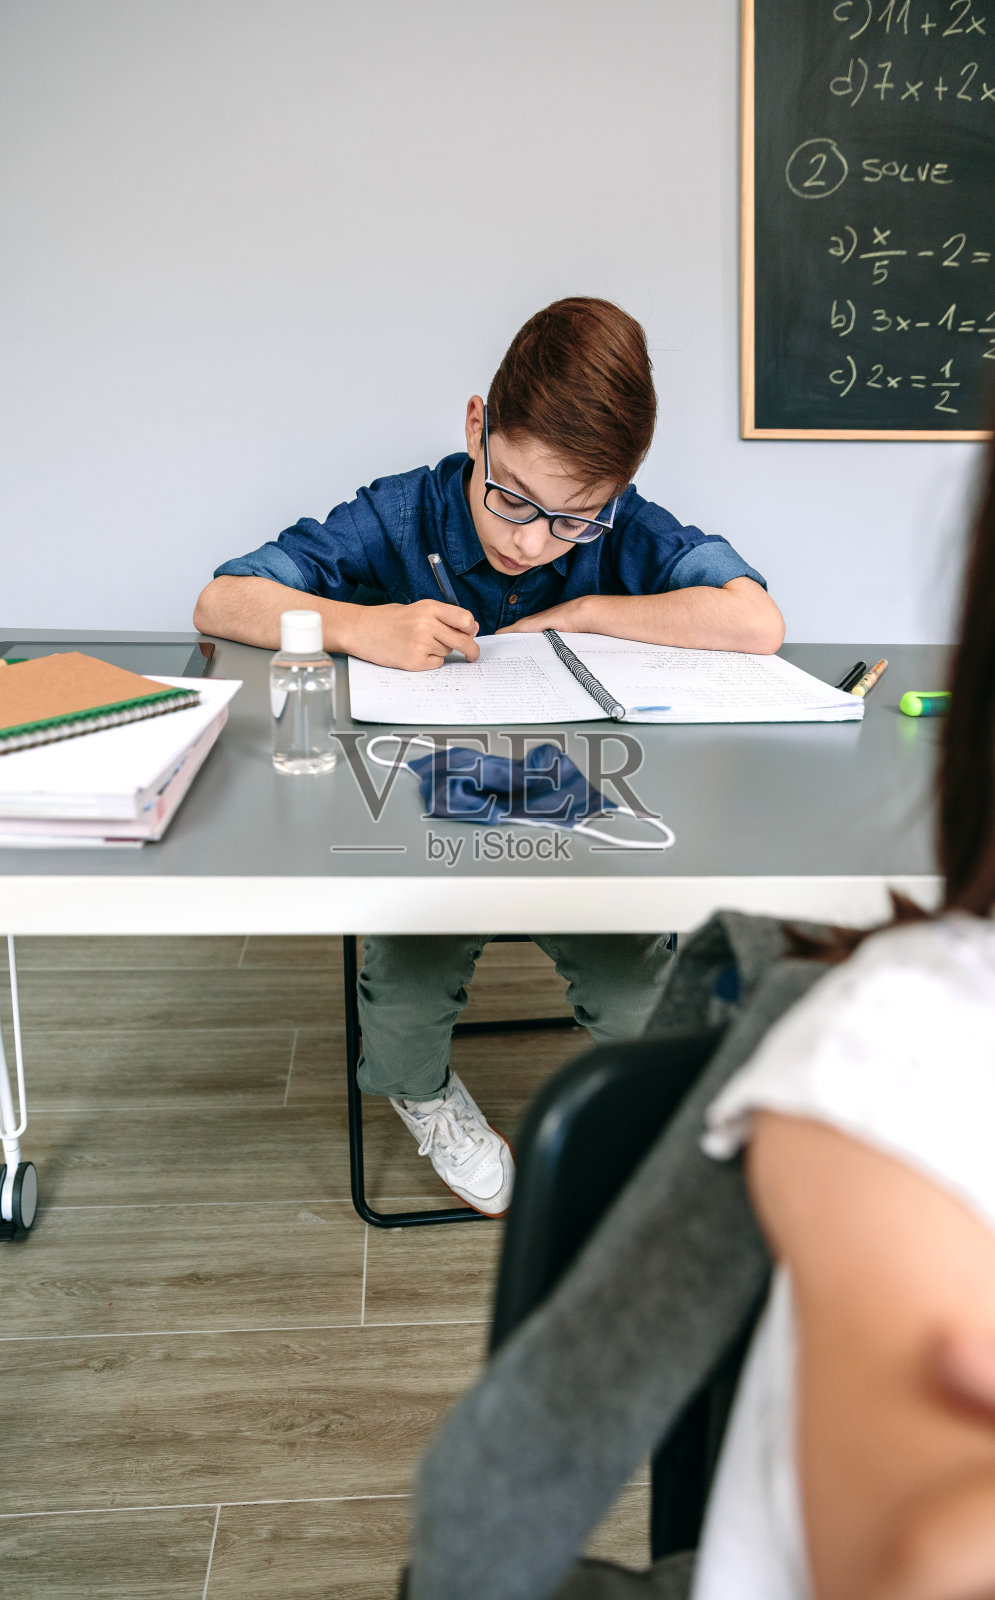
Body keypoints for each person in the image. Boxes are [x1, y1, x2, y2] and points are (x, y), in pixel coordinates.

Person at [194, 297, 784, 1215]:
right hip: (422, 816)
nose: (528, 539)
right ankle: (421, 1095)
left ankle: (657, 1111)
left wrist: (585, 607)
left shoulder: (624, 526)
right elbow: (223, 599)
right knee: (406, 977)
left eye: (572, 521)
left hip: (579, 815)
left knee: (640, 987)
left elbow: (754, 620)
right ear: (477, 426)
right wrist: (360, 625)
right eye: (512, 495)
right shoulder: (400, 512)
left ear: (618, 489)